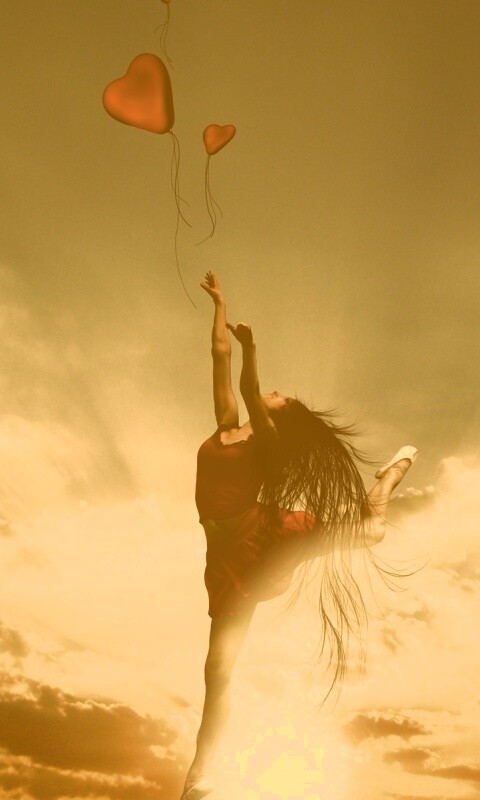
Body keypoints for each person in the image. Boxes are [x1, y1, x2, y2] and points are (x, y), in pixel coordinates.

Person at [179, 271, 417, 800]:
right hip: (223, 555)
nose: (272, 392)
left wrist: (252, 349)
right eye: (275, 391)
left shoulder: (266, 439)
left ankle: (387, 480)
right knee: (215, 672)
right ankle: (198, 777)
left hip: (259, 538)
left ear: (278, 418)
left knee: (371, 532)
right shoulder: (225, 425)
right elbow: (219, 357)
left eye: (279, 396)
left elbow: (246, 384)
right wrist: (219, 305)